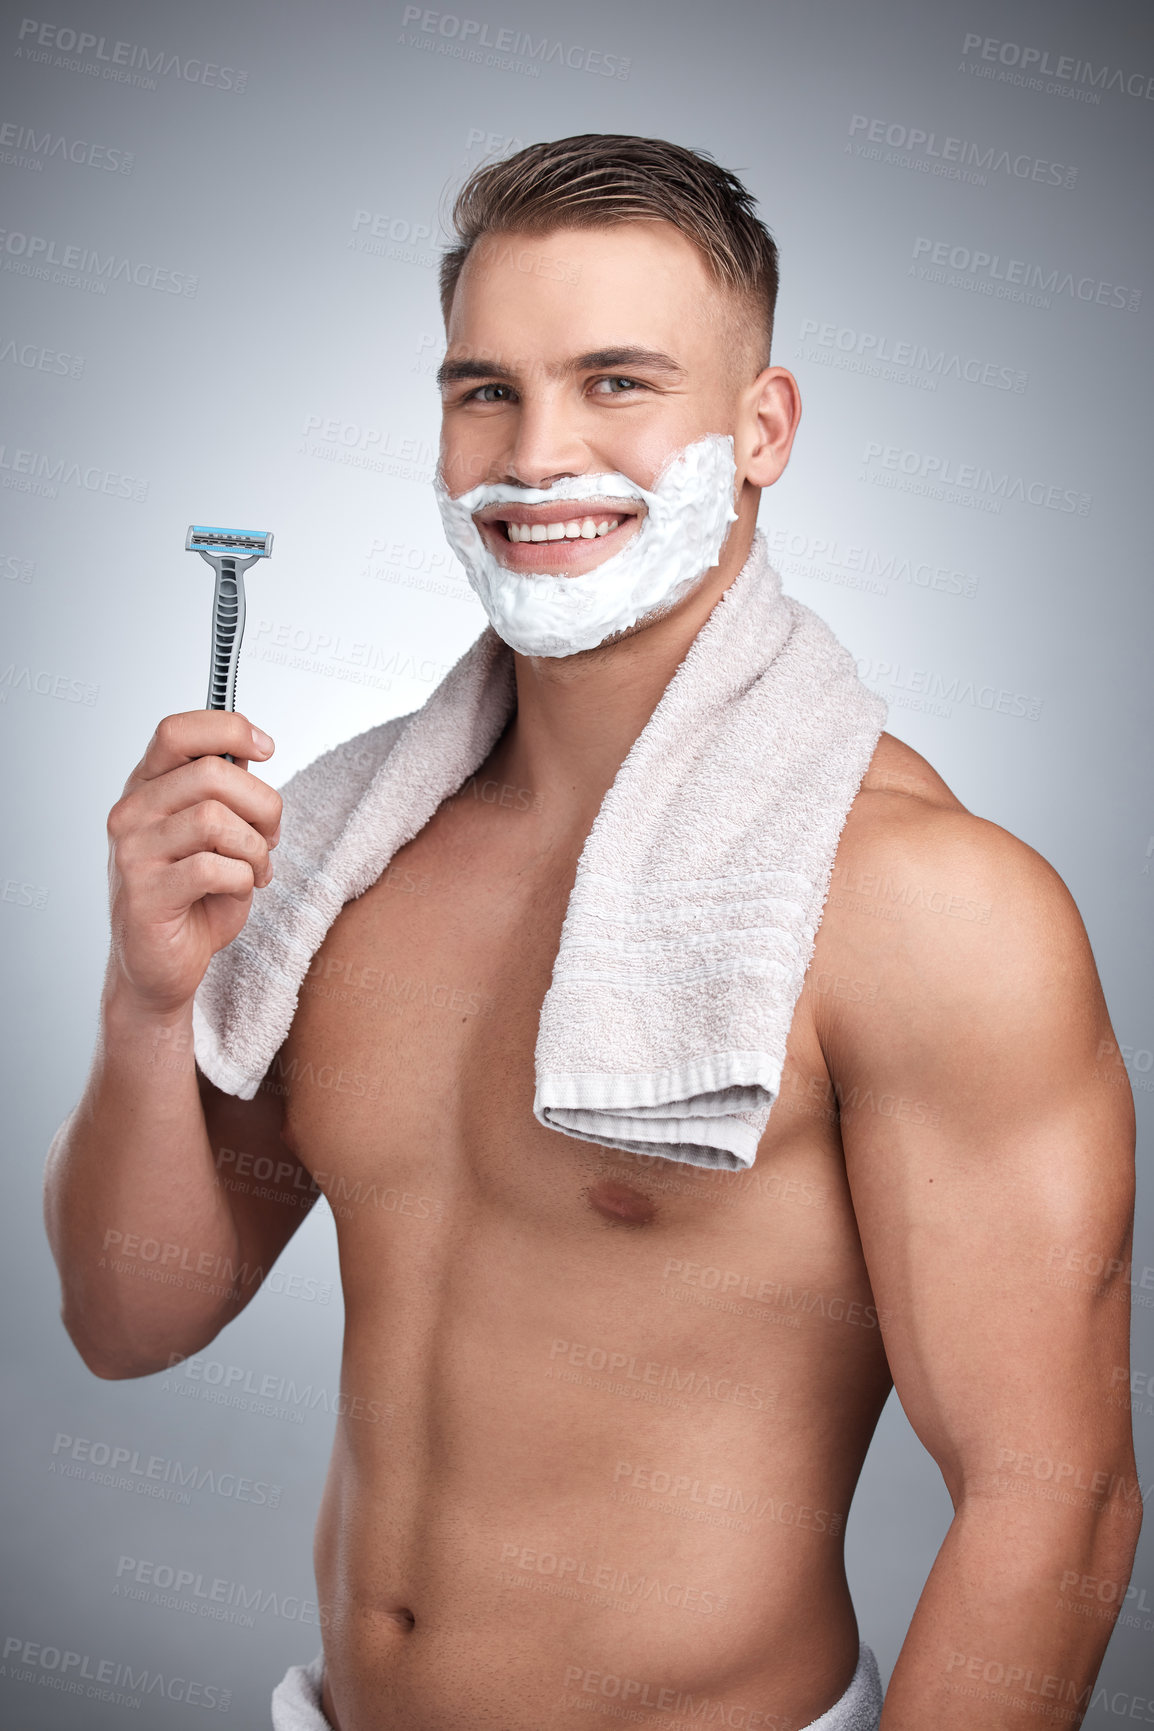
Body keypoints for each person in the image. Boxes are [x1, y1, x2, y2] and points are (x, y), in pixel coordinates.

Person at [44, 135, 1139, 1731]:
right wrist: (148, 1005)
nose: (534, 453)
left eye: (616, 382)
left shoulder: (925, 904)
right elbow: (126, 1324)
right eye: (483, 389)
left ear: (760, 429)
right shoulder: (348, 851)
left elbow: (1058, 1504)